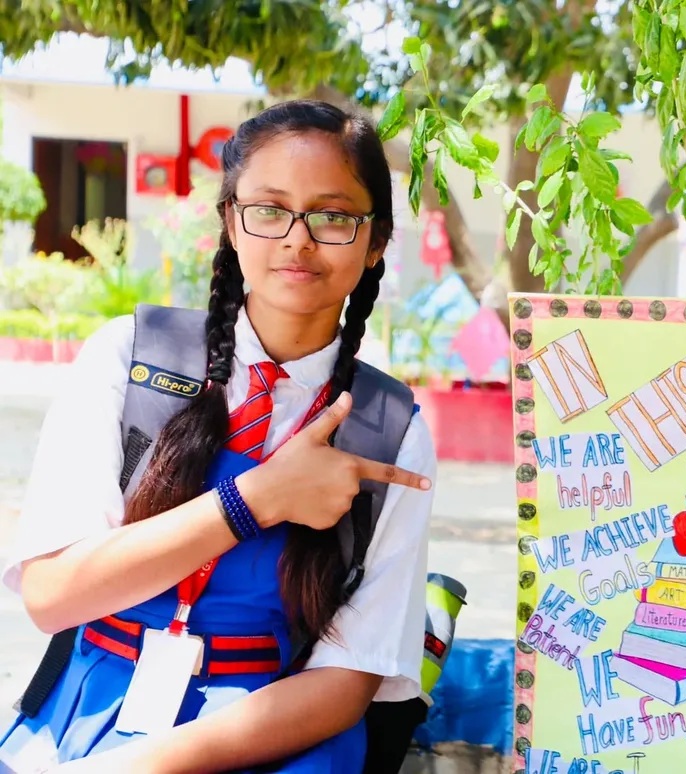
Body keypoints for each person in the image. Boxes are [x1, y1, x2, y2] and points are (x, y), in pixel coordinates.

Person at [0, 100, 437, 772]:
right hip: (92, 712)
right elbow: (53, 595)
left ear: (376, 240)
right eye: (269, 209)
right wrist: (254, 499)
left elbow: (346, 681)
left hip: (272, 734)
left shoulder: (389, 430)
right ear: (231, 223)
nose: (297, 240)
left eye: (332, 216)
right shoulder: (130, 357)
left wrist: (140, 768)